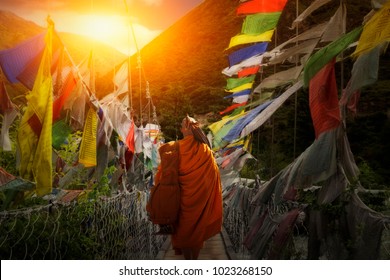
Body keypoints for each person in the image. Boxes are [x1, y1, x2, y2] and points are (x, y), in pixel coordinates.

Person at [152, 115, 223, 260]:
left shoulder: (174, 148)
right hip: (200, 201)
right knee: (197, 231)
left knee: (182, 231)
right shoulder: (205, 150)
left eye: (182, 126)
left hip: (180, 200)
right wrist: (205, 193)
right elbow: (214, 176)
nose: (181, 129)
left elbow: (163, 175)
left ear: (184, 128)